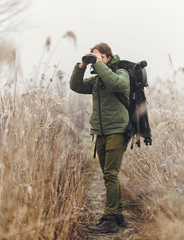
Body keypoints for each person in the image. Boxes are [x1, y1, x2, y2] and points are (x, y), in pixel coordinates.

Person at [70, 43, 129, 233]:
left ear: (108, 57)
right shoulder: (96, 81)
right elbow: (76, 86)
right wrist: (81, 66)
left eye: (98, 57)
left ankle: (110, 219)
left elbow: (117, 83)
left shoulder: (121, 73)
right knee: (108, 175)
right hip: (101, 132)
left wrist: (98, 64)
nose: (95, 62)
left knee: (111, 174)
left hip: (117, 130)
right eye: (93, 58)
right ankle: (117, 215)